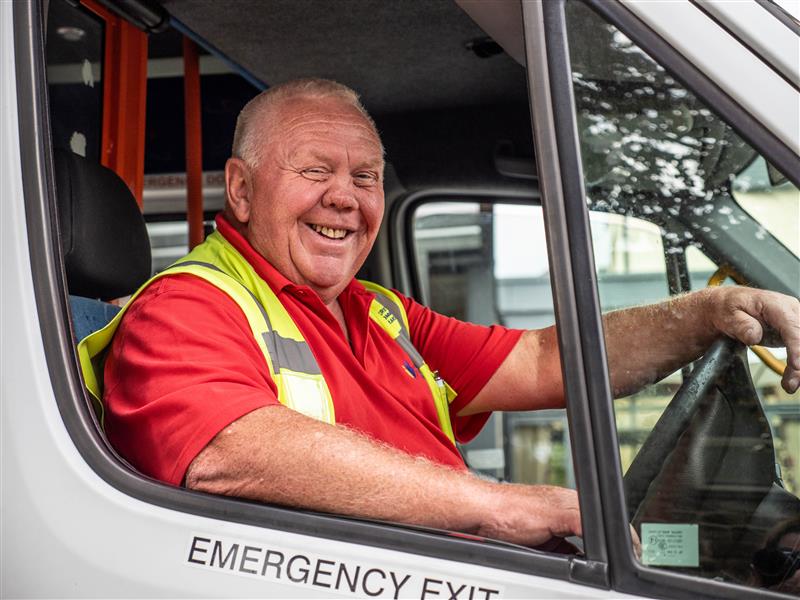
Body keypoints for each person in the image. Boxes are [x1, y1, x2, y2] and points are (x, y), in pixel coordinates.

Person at [99, 78, 800, 549]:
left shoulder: (380, 312)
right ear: (242, 191)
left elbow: (544, 361)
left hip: (465, 572)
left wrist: (714, 309)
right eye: (315, 172)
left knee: (696, 552)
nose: (346, 197)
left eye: (365, 176)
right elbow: (230, 450)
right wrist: (509, 506)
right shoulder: (187, 306)